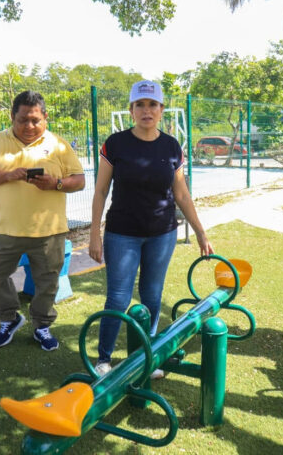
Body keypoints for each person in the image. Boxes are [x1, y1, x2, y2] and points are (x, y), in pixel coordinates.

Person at [88, 80, 214, 378]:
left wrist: (200, 232)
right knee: (118, 296)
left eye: (153, 104)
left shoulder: (171, 145)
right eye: (140, 105)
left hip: (162, 233)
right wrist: (95, 234)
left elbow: (181, 194)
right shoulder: (115, 143)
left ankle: (145, 355)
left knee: (152, 295)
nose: (147, 110)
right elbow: (100, 190)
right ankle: (103, 360)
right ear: (131, 110)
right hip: (122, 233)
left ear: (161, 110)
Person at [0, 90, 85, 352]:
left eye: (35, 120)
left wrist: (56, 183)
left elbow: (79, 180)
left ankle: (42, 325)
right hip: (2, 230)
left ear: (45, 117)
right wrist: (8, 175)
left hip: (48, 231)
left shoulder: (59, 144)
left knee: (47, 282)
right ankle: (10, 318)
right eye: (22, 119)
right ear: (12, 117)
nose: (29, 126)